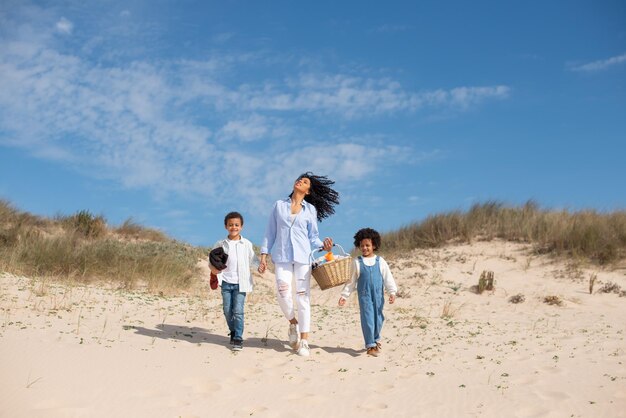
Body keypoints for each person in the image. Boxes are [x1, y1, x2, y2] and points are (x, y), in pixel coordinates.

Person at [258, 172, 339, 357]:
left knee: (303, 297)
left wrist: (324, 245)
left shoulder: (310, 210)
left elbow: (313, 237)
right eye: (299, 179)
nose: (300, 181)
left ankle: (304, 340)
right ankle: (292, 322)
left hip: (303, 258)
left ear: (308, 191)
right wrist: (263, 256)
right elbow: (269, 233)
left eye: (304, 182)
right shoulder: (279, 205)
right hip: (282, 256)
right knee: (283, 292)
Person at [338, 228, 397, 357]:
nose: (364, 248)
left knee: (379, 318)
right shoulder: (357, 262)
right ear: (358, 245)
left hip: (378, 294)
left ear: (374, 245)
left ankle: (375, 340)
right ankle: (370, 345)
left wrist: (392, 292)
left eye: (367, 245)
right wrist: (344, 295)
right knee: (368, 318)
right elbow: (351, 281)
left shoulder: (380, 261)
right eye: (362, 245)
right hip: (364, 295)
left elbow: (388, 278)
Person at [210, 211, 259, 351]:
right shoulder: (221, 243)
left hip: (241, 283)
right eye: (230, 225)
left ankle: (238, 337)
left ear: (241, 226)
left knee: (238, 311)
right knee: (227, 310)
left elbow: (253, 260)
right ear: (226, 226)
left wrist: (260, 267)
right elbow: (212, 259)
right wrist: (213, 270)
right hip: (225, 281)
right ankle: (233, 330)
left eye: (236, 225)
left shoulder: (246, 244)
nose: (234, 227)